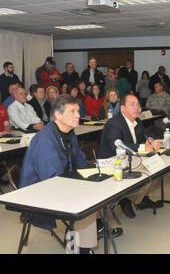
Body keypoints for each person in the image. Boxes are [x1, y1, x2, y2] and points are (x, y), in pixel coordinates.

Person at [19, 96, 123, 254]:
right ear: (58, 115)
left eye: (78, 111)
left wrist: (101, 171)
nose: (78, 114)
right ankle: (80, 248)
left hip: (61, 183)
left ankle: (95, 229)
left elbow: (80, 161)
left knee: (104, 189)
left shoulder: (69, 134)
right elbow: (52, 180)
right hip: (39, 194)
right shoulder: (45, 139)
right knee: (87, 200)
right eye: (72, 111)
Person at [98, 94, 163, 218]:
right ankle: (125, 198)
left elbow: (144, 137)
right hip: (112, 163)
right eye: (132, 105)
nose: (137, 107)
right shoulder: (114, 124)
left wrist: (151, 141)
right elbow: (118, 146)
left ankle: (139, 199)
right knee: (146, 172)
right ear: (122, 109)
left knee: (156, 170)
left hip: (130, 160)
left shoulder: (137, 121)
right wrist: (144, 147)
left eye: (138, 104)